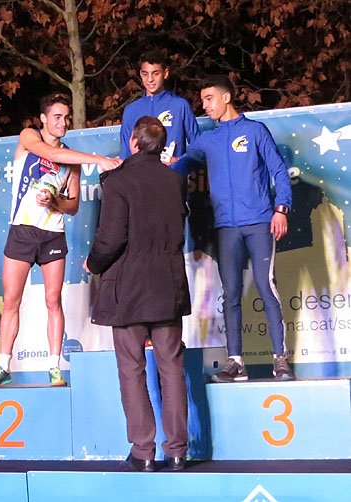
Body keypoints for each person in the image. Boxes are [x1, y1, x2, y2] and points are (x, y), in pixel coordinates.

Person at [0, 92, 122, 388]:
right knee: (11, 301)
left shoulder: (73, 161)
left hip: (52, 235)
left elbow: (73, 206)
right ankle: (3, 366)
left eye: (66, 118)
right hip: (22, 231)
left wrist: (54, 201)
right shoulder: (29, 137)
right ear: (43, 118)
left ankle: (54, 367)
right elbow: (52, 155)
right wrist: (100, 160)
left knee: (53, 300)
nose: (63, 123)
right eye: (57, 117)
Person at [85, 116, 191, 472]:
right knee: (172, 368)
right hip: (167, 284)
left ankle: (143, 452)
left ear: (133, 143)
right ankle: (177, 451)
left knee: (132, 370)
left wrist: (93, 263)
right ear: (160, 146)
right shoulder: (176, 180)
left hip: (128, 288)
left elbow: (111, 238)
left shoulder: (118, 181)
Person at [173, 76, 294, 382]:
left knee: (266, 287)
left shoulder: (255, 131)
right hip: (226, 226)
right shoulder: (208, 139)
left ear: (226, 98)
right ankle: (236, 362)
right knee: (231, 295)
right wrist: (154, 164)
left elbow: (279, 170)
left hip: (259, 221)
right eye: (203, 100)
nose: (204, 105)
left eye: (209, 99)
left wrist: (281, 208)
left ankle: (280, 359)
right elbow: (181, 165)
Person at [119, 51, 200, 163]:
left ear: (165, 74)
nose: (150, 79)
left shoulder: (180, 106)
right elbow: (125, 155)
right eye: (145, 74)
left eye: (155, 74)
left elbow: (198, 147)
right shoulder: (131, 110)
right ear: (140, 74)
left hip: (172, 172)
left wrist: (178, 161)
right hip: (142, 173)